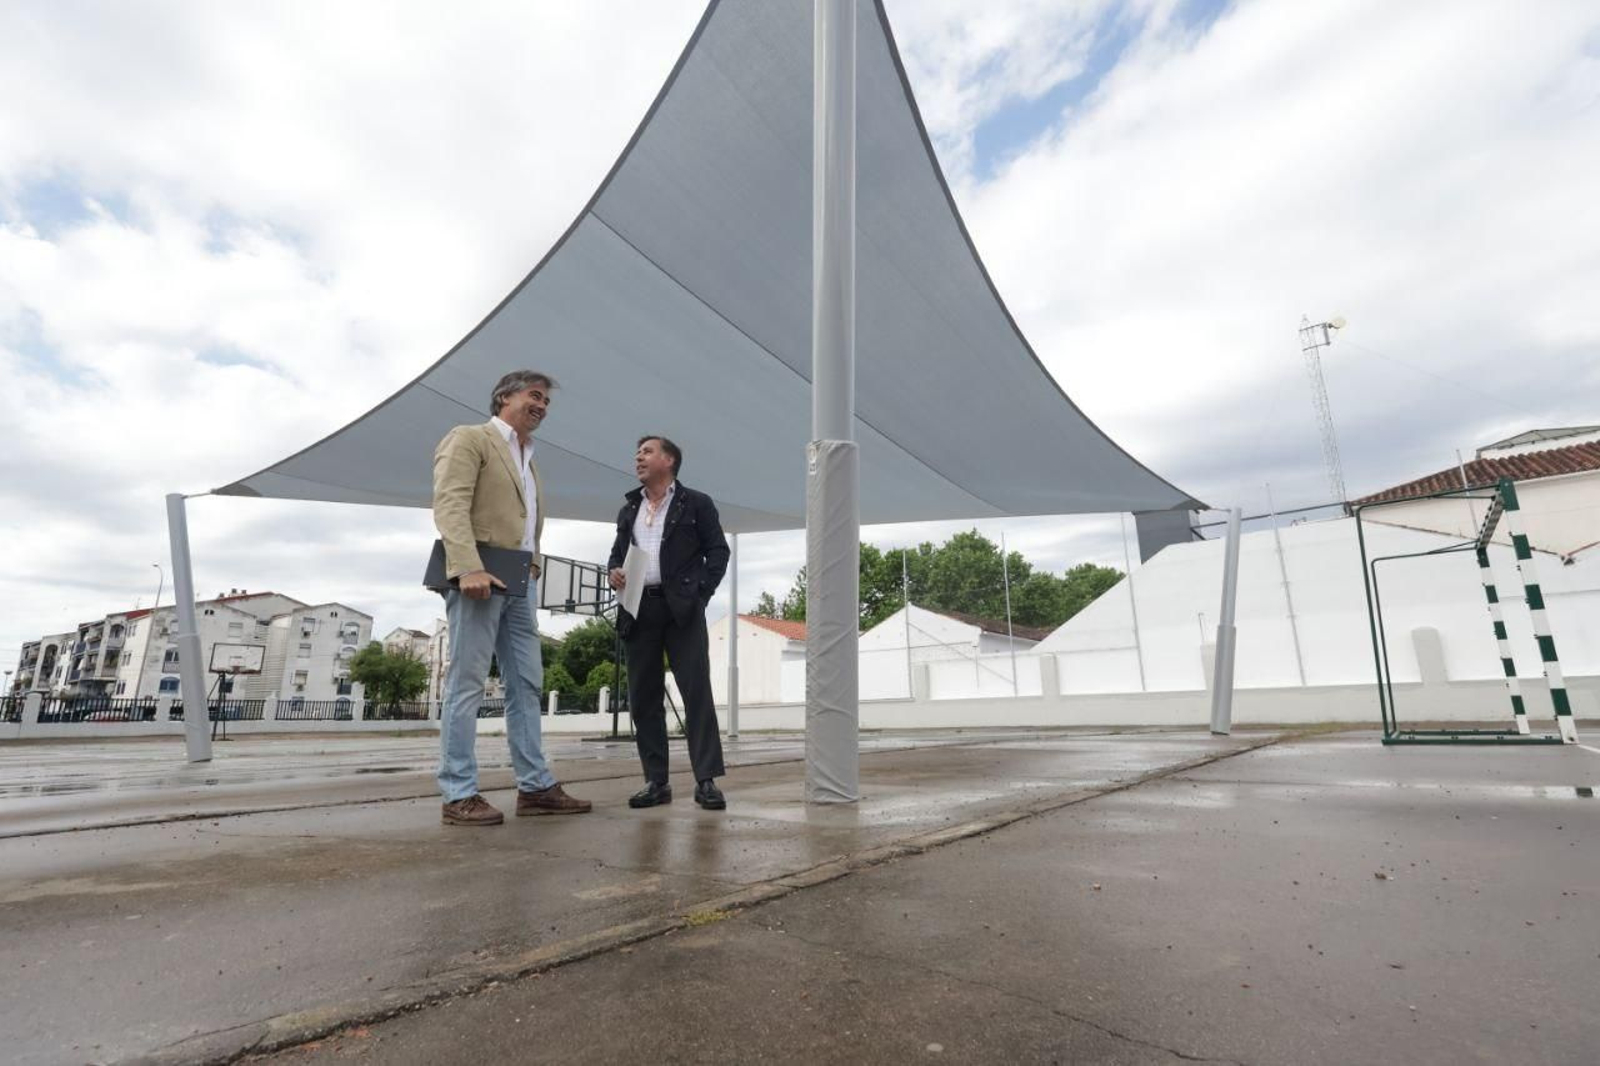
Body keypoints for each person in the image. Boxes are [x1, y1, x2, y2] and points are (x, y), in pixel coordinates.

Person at [432, 370, 591, 826]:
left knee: (527, 681)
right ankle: (458, 793)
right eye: (534, 396)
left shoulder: (530, 458)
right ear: (504, 396)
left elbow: (527, 519)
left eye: (546, 402)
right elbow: (450, 503)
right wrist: (466, 566)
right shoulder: (470, 439)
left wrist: (535, 565)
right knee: (467, 682)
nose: (541, 406)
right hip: (478, 574)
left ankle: (536, 786)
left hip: (520, 580)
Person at [607, 436, 730, 810]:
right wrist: (614, 572)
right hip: (638, 609)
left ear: (669, 460)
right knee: (644, 698)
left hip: (682, 610)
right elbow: (616, 555)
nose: (638, 457)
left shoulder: (696, 503)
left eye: (647, 451)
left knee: (696, 693)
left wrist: (700, 595)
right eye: (637, 452)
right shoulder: (629, 508)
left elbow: (718, 552)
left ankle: (706, 780)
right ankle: (656, 782)